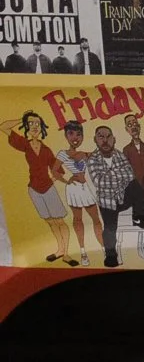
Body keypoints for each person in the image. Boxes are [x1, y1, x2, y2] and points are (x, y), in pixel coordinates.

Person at [9, 111, 74, 263]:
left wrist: (53, 179)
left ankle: (66, 253)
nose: (34, 126)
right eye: (30, 123)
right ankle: (60, 250)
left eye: (37, 124)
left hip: (48, 189)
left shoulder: (46, 150)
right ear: (26, 126)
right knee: (50, 221)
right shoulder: (25, 145)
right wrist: (22, 118)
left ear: (41, 127)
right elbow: (4, 127)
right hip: (34, 189)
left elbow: (58, 170)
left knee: (60, 221)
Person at [87, 125, 133, 269]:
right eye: (101, 137)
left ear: (114, 139)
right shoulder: (93, 159)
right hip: (106, 201)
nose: (105, 140)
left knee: (139, 191)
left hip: (123, 197)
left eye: (108, 137)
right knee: (110, 227)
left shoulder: (120, 155)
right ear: (95, 140)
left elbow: (130, 175)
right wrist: (119, 176)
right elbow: (99, 181)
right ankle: (111, 255)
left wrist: (110, 176)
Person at [55, 119, 100, 265]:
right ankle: (83, 252)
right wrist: (66, 181)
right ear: (66, 135)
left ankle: (105, 248)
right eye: (71, 134)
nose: (75, 137)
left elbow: (99, 153)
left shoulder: (84, 154)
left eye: (79, 134)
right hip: (73, 189)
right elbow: (54, 171)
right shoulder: (63, 154)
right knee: (78, 220)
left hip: (85, 188)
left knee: (96, 219)